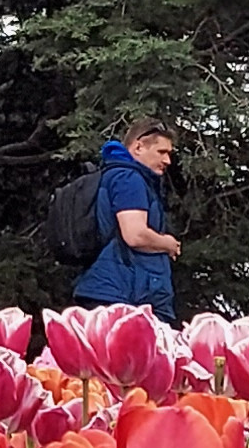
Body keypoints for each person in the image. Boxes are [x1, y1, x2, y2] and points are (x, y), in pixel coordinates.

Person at [77, 117, 183, 313]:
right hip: (125, 294)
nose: (167, 161)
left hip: (113, 289)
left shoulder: (118, 175)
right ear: (139, 147)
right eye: (161, 152)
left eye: (169, 154)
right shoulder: (129, 179)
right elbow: (135, 235)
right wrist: (167, 244)